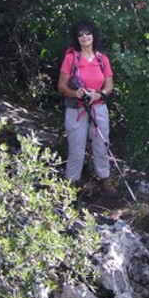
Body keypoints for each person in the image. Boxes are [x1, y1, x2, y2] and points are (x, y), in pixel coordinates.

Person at [57, 19, 115, 191]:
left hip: (98, 107)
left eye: (87, 33)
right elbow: (61, 85)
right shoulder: (70, 58)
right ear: (76, 38)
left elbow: (109, 85)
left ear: (93, 35)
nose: (84, 37)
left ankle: (105, 178)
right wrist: (76, 93)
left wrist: (99, 94)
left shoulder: (102, 59)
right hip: (76, 109)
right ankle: (71, 184)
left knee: (102, 145)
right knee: (76, 147)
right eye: (80, 34)